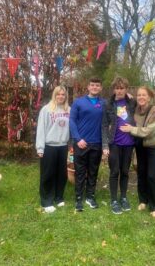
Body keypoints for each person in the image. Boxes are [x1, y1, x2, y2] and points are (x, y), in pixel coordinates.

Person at [120, 86, 155, 218]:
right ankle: (143, 200)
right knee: (141, 173)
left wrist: (132, 129)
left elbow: (150, 130)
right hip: (140, 145)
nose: (141, 97)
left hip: (153, 146)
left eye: (144, 95)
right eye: (139, 95)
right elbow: (126, 106)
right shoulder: (136, 109)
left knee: (151, 175)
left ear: (149, 97)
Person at [69, 77, 104, 212]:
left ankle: (90, 197)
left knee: (93, 171)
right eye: (92, 85)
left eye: (97, 85)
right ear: (88, 87)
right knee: (80, 172)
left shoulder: (104, 103)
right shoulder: (78, 102)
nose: (95, 87)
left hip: (97, 143)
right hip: (81, 144)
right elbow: (72, 121)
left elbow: (117, 105)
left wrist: (129, 97)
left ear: (100, 88)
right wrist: (78, 139)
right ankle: (78, 198)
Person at [102, 77, 136, 214]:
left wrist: (132, 97)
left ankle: (123, 197)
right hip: (114, 143)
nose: (120, 90)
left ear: (126, 89)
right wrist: (105, 145)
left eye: (122, 88)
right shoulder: (108, 104)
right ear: (114, 89)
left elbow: (143, 105)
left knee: (125, 172)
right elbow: (104, 125)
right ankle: (114, 200)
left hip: (129, 144)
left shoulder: (132, 103)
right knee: (114, 172)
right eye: (117, 88)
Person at [36, 85, 70, 213]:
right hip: (49, 146)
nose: (61, 96)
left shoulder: (69, 110)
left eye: (63, 94)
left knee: (61, 174)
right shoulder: (46, 110)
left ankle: (58, 197)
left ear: (65, 96)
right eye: (58, 94)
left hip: (63, 146)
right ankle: (46, 200)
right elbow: (41, 129)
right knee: (47, 174)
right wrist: (40, 147)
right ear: (54, 95)